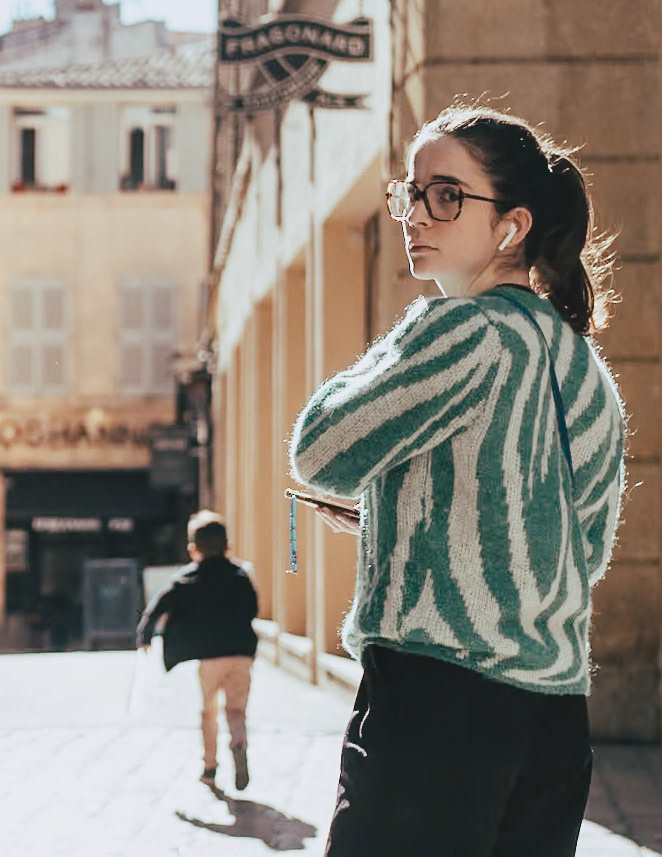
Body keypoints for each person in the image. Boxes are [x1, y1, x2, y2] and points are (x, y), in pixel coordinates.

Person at [289, 102, 627, 857]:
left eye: (445, 195)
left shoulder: (464, 332)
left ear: (511, 226)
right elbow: (577, 549)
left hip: (436, 708)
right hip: (555, 718)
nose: (416, 212)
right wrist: (403, 516)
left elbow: (319, 447)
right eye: (408, 192)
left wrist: (418, 326)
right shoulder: (585, 367)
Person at [136, 510, 258, 791]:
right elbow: (253, 609)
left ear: (193, 548)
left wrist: (145, 635)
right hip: (240, 654)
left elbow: (158, 606)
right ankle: (239, 744)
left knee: (208, 710)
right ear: (227, 546)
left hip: (208, 658)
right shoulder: (240, 575)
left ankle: (210, 766)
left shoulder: (185, 578)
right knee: (236, 710)